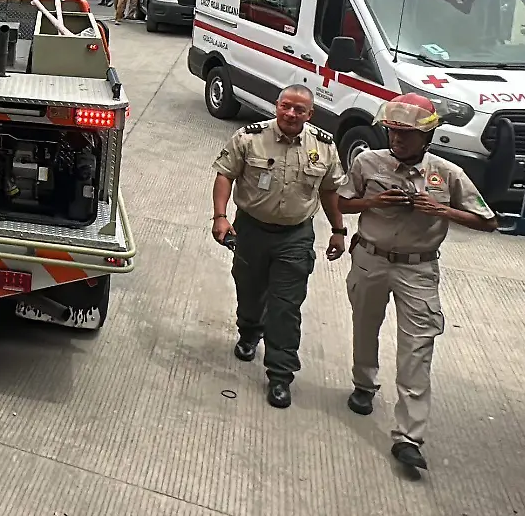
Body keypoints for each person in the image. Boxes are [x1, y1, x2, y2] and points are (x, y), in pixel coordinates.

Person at [331, 93, 496, 472]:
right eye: (392, 131)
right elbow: (341, 202)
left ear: (428, 136)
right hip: (371, 259)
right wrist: (374, 203)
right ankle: (364, 383)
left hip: (418, 270)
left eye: (406, 134)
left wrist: (442, 210)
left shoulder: (447, 173)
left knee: (417, 348)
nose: (397, 139)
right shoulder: (367, 162)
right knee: (365, 326)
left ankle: (409, 437)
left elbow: (488, 221)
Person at [211, 85, 345, 408]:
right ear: (277, 105)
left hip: (295, 236)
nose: (291, 114)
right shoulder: (249, 137)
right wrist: (220, 216)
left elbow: (329, 191)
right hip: (251, 230)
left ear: (309, 114)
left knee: (286, 305)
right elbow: (225, 174)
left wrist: (339, 229)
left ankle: (281, 374)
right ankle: (249, 331)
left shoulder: (324, 147)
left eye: (299, 110)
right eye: (286, 106)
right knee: (249, 288)